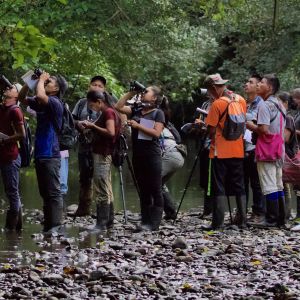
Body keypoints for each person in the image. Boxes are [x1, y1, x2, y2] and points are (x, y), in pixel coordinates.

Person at [18, 72, 68, 232]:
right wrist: (29, 82)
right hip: (41, 153)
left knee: (53, 192)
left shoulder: (55, 102)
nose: (46, 82)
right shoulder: (42, 103)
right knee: (45, 192)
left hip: (51, 153)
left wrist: (40, 81)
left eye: (50, 81)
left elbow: (40, 94)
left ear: (57, 88)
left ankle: (56, 227)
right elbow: (21, 98)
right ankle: (49, 226)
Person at [116, 86, 165, 231]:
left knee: (155, 188)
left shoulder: (158, 113)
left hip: (152, 155)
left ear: (155, 97)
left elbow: (156, 133)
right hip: (138, 154)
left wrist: (137, 125)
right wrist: (132, 92)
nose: (144, 93)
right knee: (143, 189)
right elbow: (118, 106)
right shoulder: (137, 110)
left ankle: (154, 223)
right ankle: (145, 222)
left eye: (147, 91)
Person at [204, 73, 247, 230]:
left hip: (219, 152)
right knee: (239, 185)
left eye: (209, 90)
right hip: (238, 150)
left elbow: (211, 130)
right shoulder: (241, 100)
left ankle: (218, 223)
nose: (209, 93)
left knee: (218, 186)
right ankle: (242, 221)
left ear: (213, 88)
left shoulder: (217, 104)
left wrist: (203, 126)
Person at [247, 74, 286, 227]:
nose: (258, 85)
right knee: (278, 184)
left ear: (269, 87)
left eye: (261, 83)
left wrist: (249, 125)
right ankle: (281, 218)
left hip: (267, 150)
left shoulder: (264, 105)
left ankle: (271, 219)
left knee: (269, 184)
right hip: (278, 149)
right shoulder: (279, 103)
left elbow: (263, 129)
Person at [81, 90, 121, 231]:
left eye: (92, 105)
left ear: (99, 101)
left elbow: (110, 132)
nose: (92, 108)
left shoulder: (108, 112)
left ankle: (101, 223)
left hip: (103, 153)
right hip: (106, 153)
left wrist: (92, 126)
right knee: (107, 187)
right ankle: (109, 221)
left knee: (101, 187)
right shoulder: (112, 111)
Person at [71, 76, 105, 217]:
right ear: (89, 86)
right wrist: (78, 124)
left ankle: (101, 209)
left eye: (100, 86)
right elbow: (71, 119)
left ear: (104, 89)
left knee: (100, 176)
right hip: (84, 143)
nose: (96, 87)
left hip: (100, 145)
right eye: (94, 85)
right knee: (84, 176)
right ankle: (83, 207)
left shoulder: (106, 103)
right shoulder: (81, 102)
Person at [0, 83, 25, 230]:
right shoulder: (2, 107)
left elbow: (21, 135)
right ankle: (16, 229)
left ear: (17, 95)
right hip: (2, 155)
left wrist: (3, 140)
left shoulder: (15, 110)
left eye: (12, 87)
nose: (8, 88)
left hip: (11, 157)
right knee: (11, 192)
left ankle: (12, 230)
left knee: (12, 192)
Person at [243, 74, 265, 223]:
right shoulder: (244, 103)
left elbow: (256, 120)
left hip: (256, 146)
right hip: (242, 146)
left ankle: (258, 212)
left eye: (251, 82)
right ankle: (243, 211)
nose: (246, 84)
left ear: (257, 87)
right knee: (243, 180)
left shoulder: (261, 103)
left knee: (256, 182)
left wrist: (240, 114)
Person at [159, 97, 185, 220]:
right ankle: (171, 212)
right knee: (159, 183)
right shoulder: (167, 122)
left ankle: (154, 214)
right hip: (178, 154)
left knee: (152, 182)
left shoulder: (154, 119)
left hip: (171, 155)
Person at [278, 92, 298, 220]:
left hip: (288, 155)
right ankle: (285, 213)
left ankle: (287, 213)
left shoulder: (288, 118)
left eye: (279, 102)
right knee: (283, 184)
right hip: (282, 154)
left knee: (285, 185)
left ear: (285, 103)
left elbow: (285, 138)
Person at [290, 89, 300, 220]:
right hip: (296, 151)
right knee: (297, 184)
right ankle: (298, 214)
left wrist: (293, 131)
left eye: (293, 98)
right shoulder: (297, 112)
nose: (292, 101)